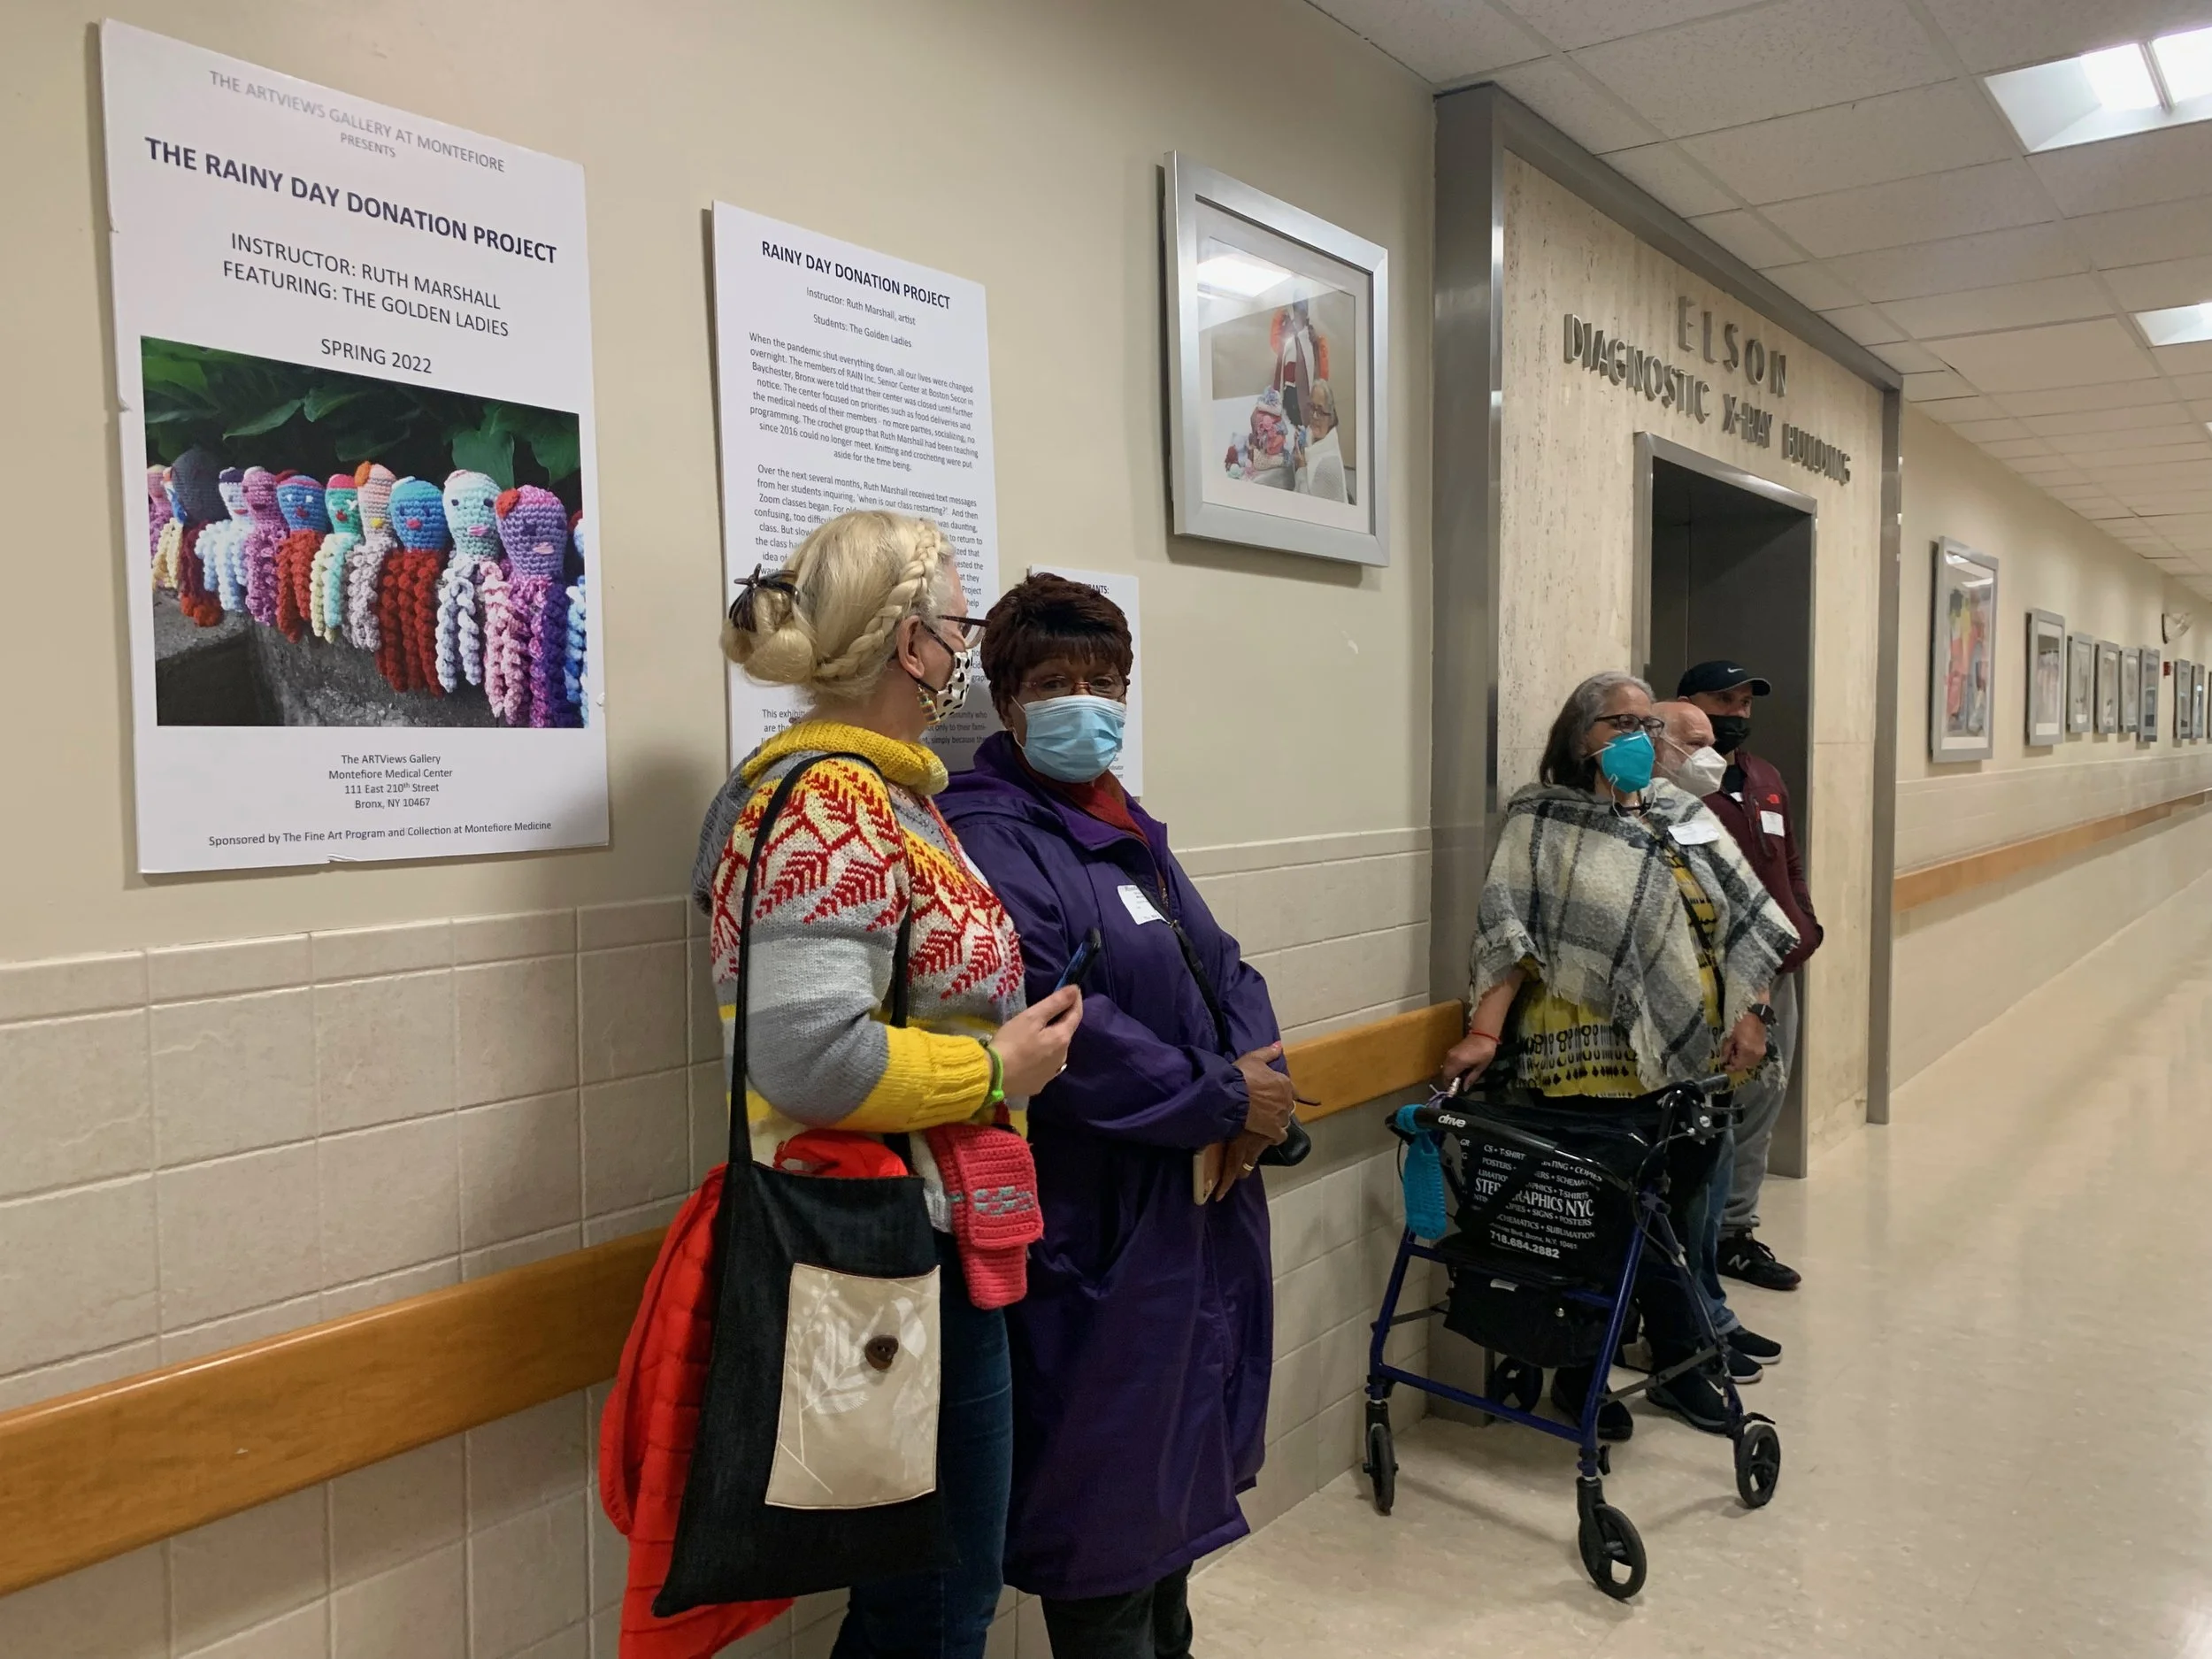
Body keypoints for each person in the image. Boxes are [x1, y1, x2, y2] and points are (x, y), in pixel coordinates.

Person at [696, 510, 1085, 1659]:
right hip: (889, 1256)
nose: (966, 647)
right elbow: (811, 1056)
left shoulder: (890, 795)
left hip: (921, 1244)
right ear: (914, 644)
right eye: (960, 624)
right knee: (934, 1606)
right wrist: (997, 1066)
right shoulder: (831, 801)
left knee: (924, 1599)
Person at [940, 573, 1287, 1659]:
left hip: (1186, 1216)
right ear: (1007, 700)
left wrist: (1260, 1075)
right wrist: (1227, 1096)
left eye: (1105, 682)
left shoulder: (1122, 822)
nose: (1084, 703)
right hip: (1093, 1227)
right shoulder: (989, 835)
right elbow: (1060, 1025)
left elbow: (1223, 966)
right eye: (1054, 683)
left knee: (1170, 1515)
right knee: (1104, 1532)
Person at [1439, 670, 1796, 1438]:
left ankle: (1679, 1363)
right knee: (1599, 1232)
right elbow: (1509, 933)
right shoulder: (1542, 818)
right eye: (1621, 724)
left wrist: (1754, 1011)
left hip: (1690, 1063)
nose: (1641, 737)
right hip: (1584, 1065)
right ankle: (1587, 1376)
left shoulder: (1681, 812)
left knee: (1677, 1226)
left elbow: (1747, 919)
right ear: (1581, 738)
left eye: (1647, 725)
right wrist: (1484, 1033)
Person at [1679, 660, 1823, 1294]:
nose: (1736, 714)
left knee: (1761, 1104)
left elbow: (1788, 860)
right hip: (1708, 978)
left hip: (1776, 968)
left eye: (1745, 703)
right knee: (1705, 1110)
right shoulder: (1677, 785)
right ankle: (1690, 1240)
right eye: (1722, 701)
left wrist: (1804, 924)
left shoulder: (1763, 777)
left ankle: (1735, 1233)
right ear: (1688, 704)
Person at [1652, 699, 1784, 1383]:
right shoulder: (1624, 822)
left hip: (1713, 1042)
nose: (1711, 755)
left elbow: (1748, 917)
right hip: (1649, 1054)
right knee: (1674, 1201)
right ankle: (1686, 1329)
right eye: (1694, 741)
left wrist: (1754, 1010)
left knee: (1709, 1186)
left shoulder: (1699, 820)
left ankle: (1711, 1316)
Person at [1296, 378, 1348, 503]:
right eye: (1312, 407)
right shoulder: (1310, 433)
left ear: (1331, 418)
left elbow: (1308, 507)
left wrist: (1301, 469)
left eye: (1320, 411)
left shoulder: (1328, 466)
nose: (1314, 416)